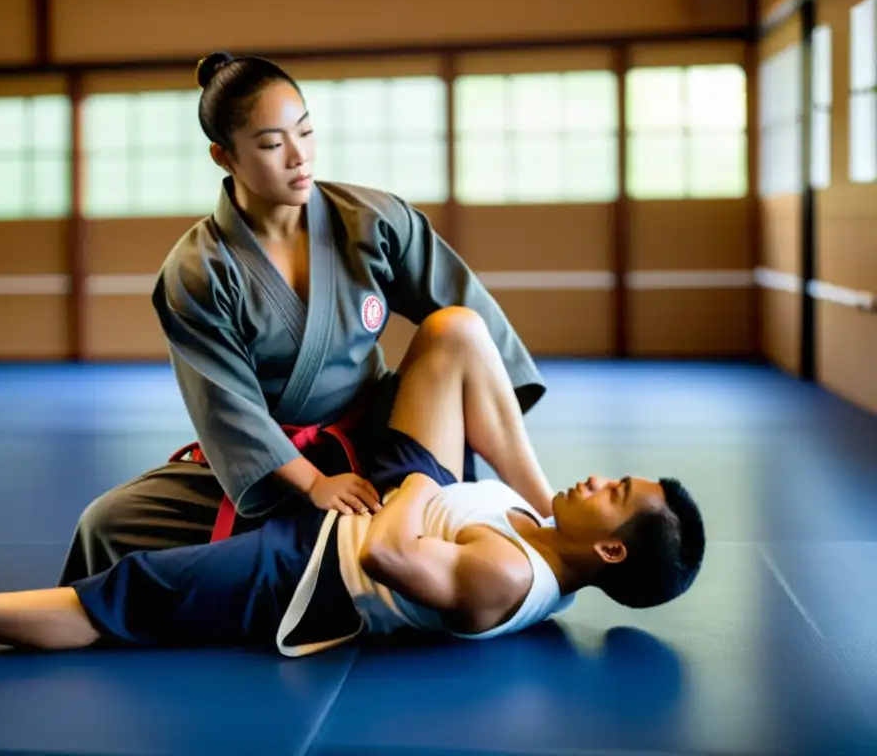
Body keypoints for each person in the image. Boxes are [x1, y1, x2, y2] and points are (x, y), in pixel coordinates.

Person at [0, 307, 706, 657]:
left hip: (314, 568)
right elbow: (431, 496)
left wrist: (412, 488)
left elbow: (387, 559)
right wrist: (435, 483)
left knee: (136, 591)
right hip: (402, 496)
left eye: (615, 489)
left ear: (608, 546)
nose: (600, 477)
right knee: (455, 330)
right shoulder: (536, 528)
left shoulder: (508, 573)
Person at [57, 50, 555, 586]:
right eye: (272, 144)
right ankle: (85, 618)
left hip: (388, 434)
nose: (299, 156)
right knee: (106, 523)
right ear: (223, 156)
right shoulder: (198, 270)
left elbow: (469, 334)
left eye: (306, 132)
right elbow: (228, 409)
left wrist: (465, 423)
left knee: (457, 328)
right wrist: (315, 483)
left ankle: (546, 511)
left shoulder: (373, 221)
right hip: (275, 463)